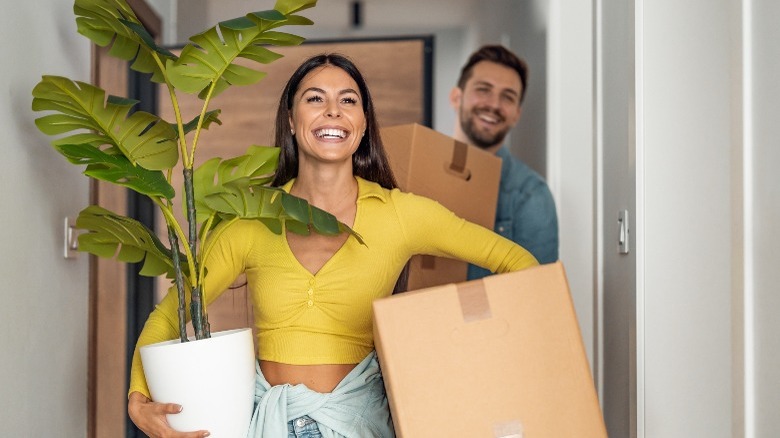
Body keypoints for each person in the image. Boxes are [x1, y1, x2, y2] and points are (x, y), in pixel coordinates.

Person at [127, 53, 539, 438]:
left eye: (348, 100)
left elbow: (517, 262)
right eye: (314, 98)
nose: (332, 111)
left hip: (359, 425)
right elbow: (171, 313)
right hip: (268, 423)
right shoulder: (251, 220)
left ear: (362, 124)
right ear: (291, 119)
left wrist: (481, 358)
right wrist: (138, 402)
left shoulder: (401, 214)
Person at [449, 44, 559, 280]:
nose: (494, 104)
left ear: (517, 114)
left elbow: (537, 292)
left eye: (507, 97)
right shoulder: (417, 173)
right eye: (483, 89)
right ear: (456, 97)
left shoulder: (530, 194)